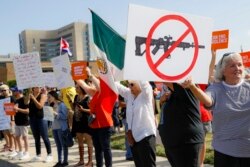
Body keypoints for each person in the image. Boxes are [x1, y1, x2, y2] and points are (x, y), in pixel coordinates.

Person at [183, 52, 250, 167]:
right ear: (223, 71)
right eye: (232, 65)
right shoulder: (216, 88)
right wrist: (192, 87)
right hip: (225, 152)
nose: (237, 68)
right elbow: (208, 101)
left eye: (239, 65)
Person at [77, 67, 116, 167]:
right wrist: (74, 75)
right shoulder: (95, 93)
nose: (93, 83)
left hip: (104, 125)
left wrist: (90, 75)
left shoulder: (108, 92)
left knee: (106, 148)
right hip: (95, 125)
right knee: (98, 149)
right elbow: (83, 85)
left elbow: (99, 85)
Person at [158, 81, 204, 167]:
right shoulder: (171, 94)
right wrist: (162, 101)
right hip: (174, 144)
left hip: (186, 144)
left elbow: (168, 79)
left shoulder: (186, 87)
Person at [116, 80, 157, 167]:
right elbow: (116, 85)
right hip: (133, 138)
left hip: (146, 137)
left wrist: (136, 71)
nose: (129, 87)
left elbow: (145, 83)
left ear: (139, 84)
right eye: (128, 84)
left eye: (132, 84)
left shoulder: (146, 94)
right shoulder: (129, 94)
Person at [70, 82, 93, 167]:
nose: (76, 89)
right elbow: (74, 108)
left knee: (88, 142)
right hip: (77, 121)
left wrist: (83, 110)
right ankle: (81, 160)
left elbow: (92, 110)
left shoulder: (88, 98)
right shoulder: (76, 97)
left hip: (86, 122)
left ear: (82, 89)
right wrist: (70, 103)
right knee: (80, 142)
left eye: (77, 88)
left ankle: (90, 161)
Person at [27, 87, 53, 162]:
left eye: (39, 87)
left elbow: (40, 106)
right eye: (36, 87)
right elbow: (26, 104)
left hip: (41, 118)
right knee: (36, 138)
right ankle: (38, 155)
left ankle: (49, 154)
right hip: (32, 118)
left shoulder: (43, 95)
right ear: (33, 88)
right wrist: (28, 96)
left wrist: (33, 99)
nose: (38, 88)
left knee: (45, 137)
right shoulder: (30, 95)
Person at [47, 91, 68, 167]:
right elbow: (50, 118)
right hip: (54, 128)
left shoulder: (61, 105)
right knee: (58, 146)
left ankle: (65, 161)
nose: (48, 99)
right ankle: (59, 161)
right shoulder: (52, 105)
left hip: (61, 128)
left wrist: (55, 114)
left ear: (54, 96)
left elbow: (65, 116)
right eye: (47, 97)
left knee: (63, 145)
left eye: (49, 97)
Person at [11, 87, 30, 160]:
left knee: (25, 137)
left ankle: (27, 152)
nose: (13, 92)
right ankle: (20, 152)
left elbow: (28, 111)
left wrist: (17, 109)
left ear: (18, 91)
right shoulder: (16, 100)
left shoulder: (24, 99)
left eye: (14, 91)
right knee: (17, 137)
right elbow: (15, 111)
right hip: (17, 121)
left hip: (24, 121)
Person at [0, 84, 17, 158]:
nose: (3, 91)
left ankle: (14, 148)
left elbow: (12, 110)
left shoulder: (11, 98)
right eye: (1, 90)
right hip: (3, 119)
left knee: (12, 134)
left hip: (10, 118)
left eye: (4, 90)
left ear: (8, 90)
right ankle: (9, 146)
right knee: (6, 133)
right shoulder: (1, 98)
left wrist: (12, 119)